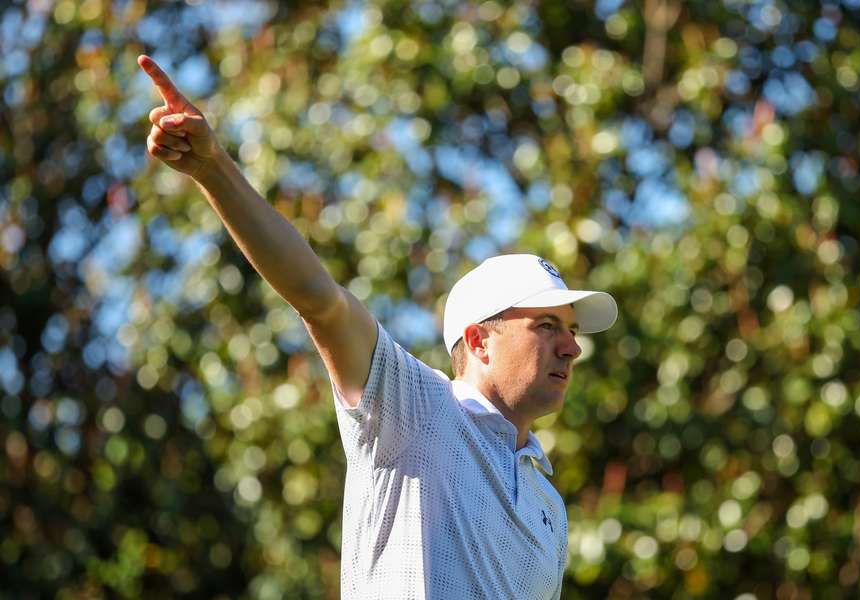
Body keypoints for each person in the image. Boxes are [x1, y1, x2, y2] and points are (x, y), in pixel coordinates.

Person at [138, 54, 617, 599]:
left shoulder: (548, 501)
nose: (572, 348)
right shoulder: (415, 409)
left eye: (573, 331)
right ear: (480, 341)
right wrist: (212, 168)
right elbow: (321, 302)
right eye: (548, 325)